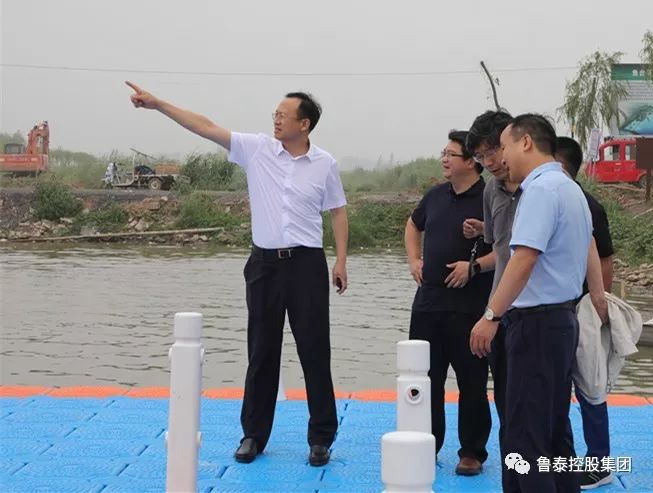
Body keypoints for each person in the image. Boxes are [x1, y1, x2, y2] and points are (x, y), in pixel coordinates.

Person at [126, 81, 349, 467]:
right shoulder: (257, 148)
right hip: (264, 265)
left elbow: (338, 210)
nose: (276, 120)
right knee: (262, 351)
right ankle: (253, 435)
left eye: (283, 115)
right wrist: (158, 104)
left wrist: (341, 260)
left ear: (305, 124)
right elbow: (205, 126)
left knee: (315, 351)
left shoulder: (324, 164)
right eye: (275, 114)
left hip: (307, 265)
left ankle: (321, 439)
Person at [470, 114, 592, 492]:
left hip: (534, 324)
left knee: (526, 438)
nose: (502, 157)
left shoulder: (539, 191)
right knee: (554, 431)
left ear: (525, 143)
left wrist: (491, 315)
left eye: (504, 147)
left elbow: (523, 259)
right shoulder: (570, 188)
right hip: (560, 322)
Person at [405, 130, 494, 476]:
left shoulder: (490, 197)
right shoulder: (435, 195)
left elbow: (510, 246)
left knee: (472, 381)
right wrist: (414, 259)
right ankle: (427, 443)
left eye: (451, 154)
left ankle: (472, 451)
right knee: (425, 380)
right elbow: (413, 225)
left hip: (471, 306)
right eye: (443, 153)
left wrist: (474, 263)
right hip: (428, 304)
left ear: (471, 161)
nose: (444, 159)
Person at [556, 136, 615, 490]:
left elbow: (603, 258)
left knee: (590, 388)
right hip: (552, 310)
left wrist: (598, 305)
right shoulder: (543, 198)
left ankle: (599, 462)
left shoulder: (586, 205)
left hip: (581, 308)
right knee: (555, 389)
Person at [463, 110, 518, 485]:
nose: (489, 162)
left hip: (538, 312)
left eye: (492, 151)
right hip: (501, 311)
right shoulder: (492, 191)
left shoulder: (544, 188)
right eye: (481, 157)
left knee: (539, 409)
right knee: (506, 403)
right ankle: (516, 476)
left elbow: (526, 255)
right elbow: (501, 246)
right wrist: (493, 313)